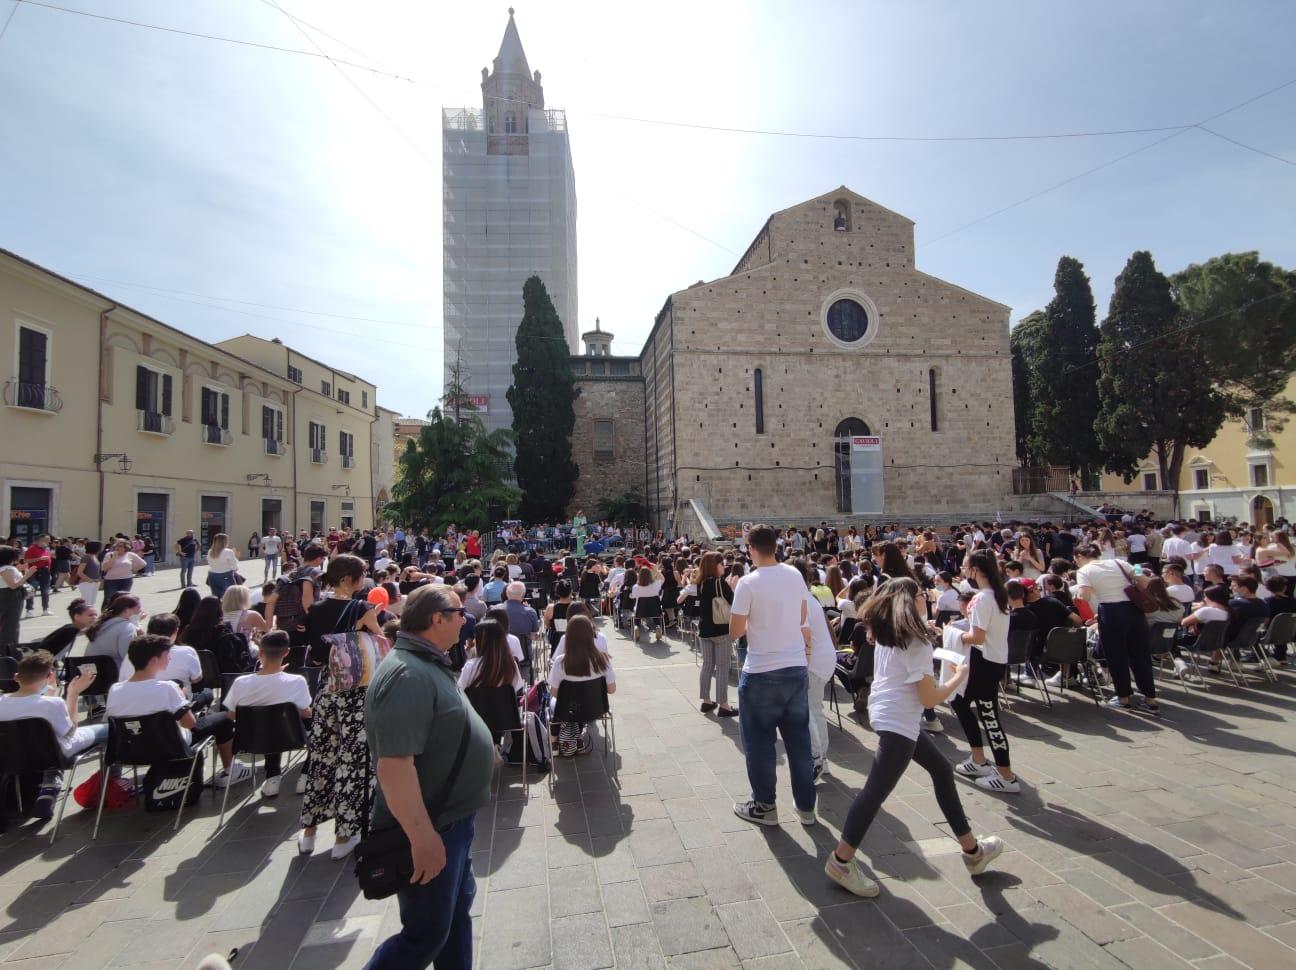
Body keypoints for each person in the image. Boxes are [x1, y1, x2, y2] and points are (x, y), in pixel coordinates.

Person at [823, 579, 1001, 898]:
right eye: (921, 595)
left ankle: (973, 851)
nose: (925, 599)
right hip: (899, 720)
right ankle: (841, 861)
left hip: (889, 713)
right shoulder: (914, 641)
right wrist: (958, 676)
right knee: (875, 791)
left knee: (942, 771)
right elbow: (930, 699)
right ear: (911, 600)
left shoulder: (888, 631)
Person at [363, 585, 495, 969]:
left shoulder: (423, 661)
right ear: (438, 619)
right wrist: (422, 836)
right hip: (434, 825)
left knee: (452, 920)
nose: (466, 619)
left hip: (451, 819)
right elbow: (394, 766)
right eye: (459, 613)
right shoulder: (406, 674)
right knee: (424, 937)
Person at [729, 524, 816, 828]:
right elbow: (803, 616)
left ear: (751, 549)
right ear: (776, 546)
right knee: (799, 741)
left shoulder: (747, 583)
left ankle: (765, 804)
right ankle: (806, 807)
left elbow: (735, 632)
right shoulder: (794, 575)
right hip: (794, 667)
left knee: (760, 743)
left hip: (762, 671)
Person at [299, 554, 385, 860]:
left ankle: (308, 833)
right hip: (355, 691)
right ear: (350, 579)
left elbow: (317, 653)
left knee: (323, 756)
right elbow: (381, 641)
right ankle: (344, 835)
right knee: (354, 761)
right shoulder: (361, 608)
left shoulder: (315, 609)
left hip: (327, 688)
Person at [107, 634, 251, 787]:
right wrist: (181, 698)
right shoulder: (167, 687)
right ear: (154, 661)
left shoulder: (115, 689)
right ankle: (230, 770)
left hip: (129, 751)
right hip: (169, 747)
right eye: (166, 655)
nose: (169, 658)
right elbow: (190, 723)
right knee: (224, 719)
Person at [0, 650, 106, 818]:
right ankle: (111, 785)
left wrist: (49, 692)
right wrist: (73, 694)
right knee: (107, 730)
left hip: (13, 757)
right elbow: (70, 731)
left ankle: (50, 788)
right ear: (50, 675)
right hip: (53, 755)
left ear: (16, 676)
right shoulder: (52, 704)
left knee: (49, 742)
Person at [950, 550, 1020, 793]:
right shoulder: (996, 596)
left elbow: (977, 636)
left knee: (988, 716)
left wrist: (954, 634)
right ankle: (979, 759)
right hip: (991, 660)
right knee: (960, 702)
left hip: (984, 661)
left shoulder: (983, 598)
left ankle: (1005, 774)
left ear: (976, 570)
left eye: (965, 566)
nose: (962, 569)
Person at [224, 630, 312, 797]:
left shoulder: (240, 683)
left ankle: (272, 777)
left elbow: (231, 715)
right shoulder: (296, 681)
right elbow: (305, 712)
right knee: (318, 727)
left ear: (261, 652)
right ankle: (306, 775)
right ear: (286, 652)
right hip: (292, 737)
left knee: (268, 725)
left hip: (251, 739)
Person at [1073, 544, 1159, 714]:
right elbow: (1145, 580)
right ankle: (1150, 699)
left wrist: (1078, 596)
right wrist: (1136, 568)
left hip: (1111, 612)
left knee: (1116, 656)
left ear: (1079, 557)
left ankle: (1123, 698)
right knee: (1140, 655)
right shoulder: (1120, 562)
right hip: (1134, 610)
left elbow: (1085, 596)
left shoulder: (1084, 571)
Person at [547, 615, 616, 757]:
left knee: (554, 702)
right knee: (577, 701)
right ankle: (576, 737)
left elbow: (555, 693)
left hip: (566, 709)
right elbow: (612, 689)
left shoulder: (560, 662)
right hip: (595, 709)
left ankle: (554, 741)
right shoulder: (603, 659)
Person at [798, 561, 838, 783]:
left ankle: (818, 759)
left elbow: (804, 637)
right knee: (815, 709)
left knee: (810, 711)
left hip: (814, 662)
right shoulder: (808, 598)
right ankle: (823, 758)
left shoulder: (802, 599)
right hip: (823, 659)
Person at [695, 551, 737, 717]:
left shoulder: (701, 583)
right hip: (721, 630)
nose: (724, 566)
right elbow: (734, 602)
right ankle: (724, 704)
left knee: (707, 665)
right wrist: (732, 587)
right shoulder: (721, 583)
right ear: (715, 565)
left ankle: (706, 700)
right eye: (721, 563)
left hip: (704, 630)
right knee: (722, 667)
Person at [265, 543, 326, 646]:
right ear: (318, 559)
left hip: (283, 625)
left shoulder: (290, 574)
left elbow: (271, 601)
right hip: (302, 625)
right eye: (323, 558)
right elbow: (307, 600)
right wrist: (312, 623)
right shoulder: (315, 573)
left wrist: (269, 627)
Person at [458, 617, 524, 694]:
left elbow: (460, 691)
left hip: (475, 706)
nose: (473, 641)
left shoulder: (470, 667)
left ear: (482, 641)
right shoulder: (511, 665)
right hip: (504, 705)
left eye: (476, 637)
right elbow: (517, 690)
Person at [84, 594, 144, 669]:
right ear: (127, 610)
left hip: (91, 672)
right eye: (138, 607)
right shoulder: (127, 627)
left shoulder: (103, 623)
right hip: (110, 674)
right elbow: (129, 657)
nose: (140, 611)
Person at [0, 547, 38, 658]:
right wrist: (27, 575)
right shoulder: (8, 569)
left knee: (8, 624)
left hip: (7, 596)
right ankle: (9, 652)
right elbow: (13, 585)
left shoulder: (6, 568)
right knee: (11, 625)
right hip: (11, 597)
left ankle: (7, 651)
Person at [100, 539, 145, 606]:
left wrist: (133, 570)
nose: (117, 547)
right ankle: (107, 615)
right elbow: (104, 568)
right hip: (111, 581)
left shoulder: (130, 555)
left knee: (123, 599)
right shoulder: (109, 555)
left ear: (125, 547)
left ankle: (120, 614)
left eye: (120, 546)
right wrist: (114, 557)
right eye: (116, 546)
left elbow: (143, 564)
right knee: (109, 599)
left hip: (126, 580)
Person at [22, 534, 54, 616]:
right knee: (31, 590)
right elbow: (26, 560)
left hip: (45, 571)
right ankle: (29, 610)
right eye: (47, 539)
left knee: (45, 591)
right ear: (41, 540)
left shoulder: (46, 549)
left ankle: (45, 609)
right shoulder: (32, 548)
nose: (49, 541)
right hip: (35, 571)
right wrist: (39, 559)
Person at [206, 533, 241, 598]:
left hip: (212, 575)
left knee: (216, 597)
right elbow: (234, 567)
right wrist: (236, 557)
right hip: (225, 575)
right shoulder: (228, 551)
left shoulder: (210, 551)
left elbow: (210, 564)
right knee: (230, 597)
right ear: (224, 541)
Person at [72, 540, 103, 607]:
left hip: (94, 583)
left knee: (92, 603)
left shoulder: (95, 557)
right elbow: (79, 572)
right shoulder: (86, 557)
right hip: (86, 583)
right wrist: (89, 579)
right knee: (87, 603)